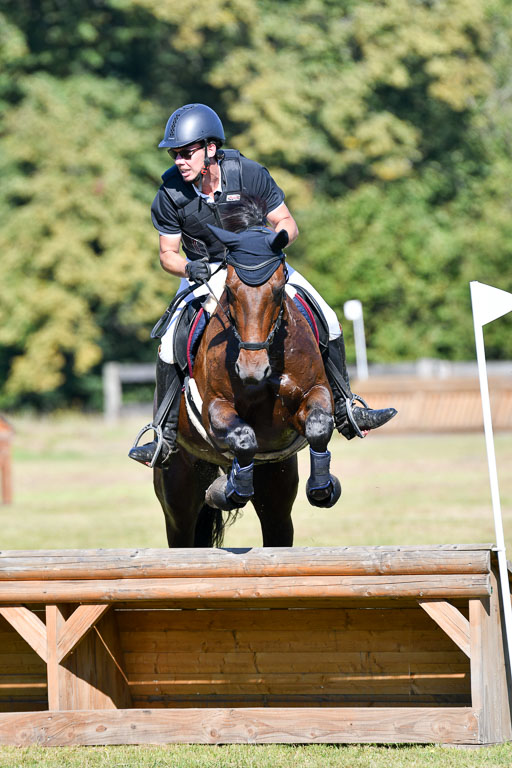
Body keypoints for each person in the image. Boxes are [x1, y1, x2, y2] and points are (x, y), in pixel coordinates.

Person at [129, 103, 396, 467]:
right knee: (167, 343)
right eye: (175, 153)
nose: (179, 160)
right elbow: (166, 255)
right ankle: (163, 434)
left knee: (328, 317)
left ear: (210, 148)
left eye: (186, 152)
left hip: (261, 266)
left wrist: (273, 245)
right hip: (205, 272)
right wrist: (192, 268)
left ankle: (346, 406)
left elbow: (287, 222)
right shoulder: (171, 194)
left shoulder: (250, 174)